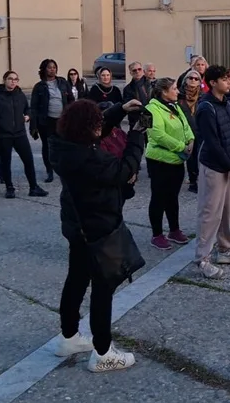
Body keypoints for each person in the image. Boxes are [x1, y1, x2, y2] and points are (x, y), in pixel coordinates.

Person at [50, 99, 145, 373]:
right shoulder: (92, 159)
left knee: (77, 278)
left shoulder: (62, 144)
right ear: (88, 128)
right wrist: (138, 134)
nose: (100, 127)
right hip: (98, 228)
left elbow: (93, 129)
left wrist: (119, 111)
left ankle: (68, 336)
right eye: (97, 123)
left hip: (76, 224)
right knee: (104, 287)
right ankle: (103, 353)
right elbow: (125, 169)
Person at [194, 65, 230, 279]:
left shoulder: (226, 103)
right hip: (214, 167)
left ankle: (225, 249)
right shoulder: (206, 107)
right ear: (213, 82)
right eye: (225, 79)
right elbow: (212, 142)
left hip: (229, 165)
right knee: (210, 213)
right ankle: (202, 259)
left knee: (227, 210)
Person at [145, 78, 194, 250]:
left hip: (177, 160)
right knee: (159, 197)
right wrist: (181, 146)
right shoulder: (150, 109)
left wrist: (191, 140)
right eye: (174, 88)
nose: (177, 91)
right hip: (159, 160)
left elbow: (186, 125)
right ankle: (157, 234)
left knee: (172, 197)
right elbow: (157, 134)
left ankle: (174, 230)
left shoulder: (176, 106)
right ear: (164, 92)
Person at [0, 71, 48, 199]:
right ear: (4, 80)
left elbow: (28, 108)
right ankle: (9, 188)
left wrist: (28, 116)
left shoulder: (20, 95)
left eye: (15, 79)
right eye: (10, 79)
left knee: (28, 160)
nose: (13, 81)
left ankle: (33, 187)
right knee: (5, 162)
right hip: (3, 135)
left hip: (19, 133)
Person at [30, 58, 74, 183]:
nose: (52, 69)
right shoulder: (39, 87)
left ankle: (63, 169)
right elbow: (33, 107)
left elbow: (71, 100)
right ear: (44, 70)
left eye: (54, 67)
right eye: (49, 67)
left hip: (62, 120)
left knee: (64, 145)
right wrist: (33, 126)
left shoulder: (63, 82)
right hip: (46, 121)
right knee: (47, 146)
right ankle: (49, 170)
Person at [177, 70, 202, 193]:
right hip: (184, 132)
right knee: (188, 157)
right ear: (185, 80)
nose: (193, 80)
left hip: (199, 131)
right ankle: (192, 181)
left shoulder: (202, 97)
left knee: (199, 156)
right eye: (190, 78)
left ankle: (198, 180)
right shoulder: (179, 97)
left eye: (196, 79)